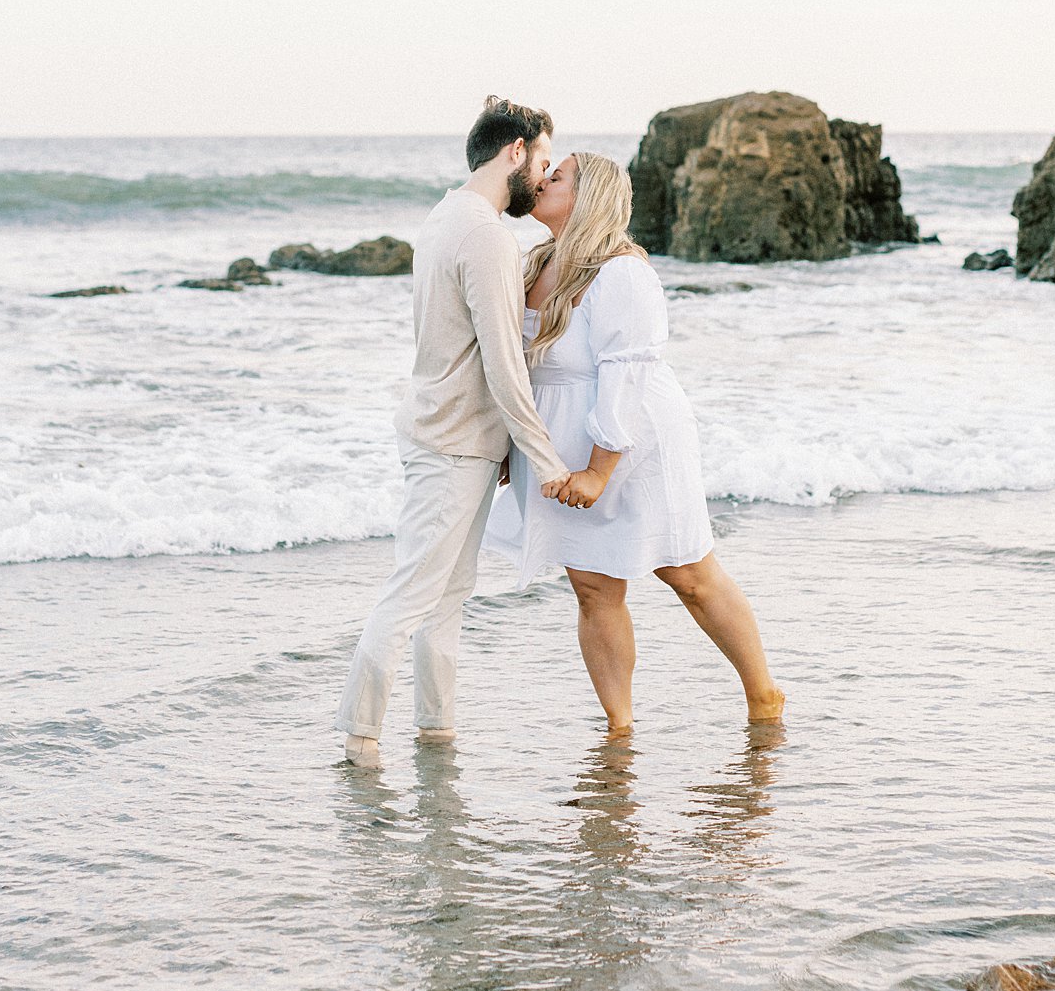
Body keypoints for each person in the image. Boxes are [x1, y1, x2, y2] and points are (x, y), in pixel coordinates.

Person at [484, 150, 784, 734]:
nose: (542, 179)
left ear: (590, 196)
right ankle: (619, 727)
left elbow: (625, 372)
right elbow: (515, 370)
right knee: (593, 585)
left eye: (558, 175)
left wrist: (599, 469)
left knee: (687, 572)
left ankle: (764, 696)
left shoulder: (620, 273)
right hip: (557, 442)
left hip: (633, 440)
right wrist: (511, 445)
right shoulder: (532, 263)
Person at [336, 96, 573, 766]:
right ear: (514, 153)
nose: (544, 178)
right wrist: (546, 461)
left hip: (450, 432)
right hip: (449, 440)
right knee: (416, 590)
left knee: (446, 592)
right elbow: (502, 360)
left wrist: (501, 442)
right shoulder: (485, 234)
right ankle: (359, 737)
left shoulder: (445, 216)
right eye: (543, 161)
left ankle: (435, 727)